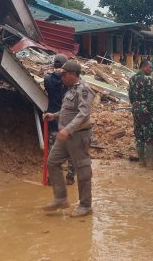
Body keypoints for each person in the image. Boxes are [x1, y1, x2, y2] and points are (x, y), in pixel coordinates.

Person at [42, 60, 95, 217]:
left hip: (78, 136)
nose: (61, 77)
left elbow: (83, 113)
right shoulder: (70, 89)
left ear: (73, 74)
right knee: (52, 162)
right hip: (64, 135)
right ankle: (61, 198)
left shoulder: (84, 90)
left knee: (82, 169)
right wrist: (54, 116)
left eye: (64, 74)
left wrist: (68, 129)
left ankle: (85, 205)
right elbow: (67, 110)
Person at [43, 54, 74, 185]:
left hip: (54, 121)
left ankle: (54, 178)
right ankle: (70, 178)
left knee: (54, 152)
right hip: (68, 121)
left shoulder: (47, 79)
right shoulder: (68, 80)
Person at [128, 60, 153, 170]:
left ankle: (142, 162)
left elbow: (130, 96)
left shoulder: (132, 78)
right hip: (145, 109)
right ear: (144, 67)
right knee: (150, 135)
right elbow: (150, 99)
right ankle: (151, 164)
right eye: (150, 67)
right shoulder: (147, 80)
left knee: (139, 134)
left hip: (135, 108)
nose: (151, 70)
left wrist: (135, 106)